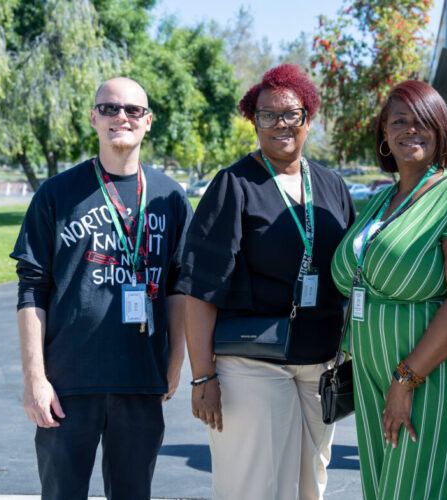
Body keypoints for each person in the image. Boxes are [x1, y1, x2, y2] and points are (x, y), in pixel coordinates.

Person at [175, 64, 355, 500]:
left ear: (308, 117)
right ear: (253, 121)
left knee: (310, 486)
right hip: (252, 363)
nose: (280, 124)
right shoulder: (233, 185)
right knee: (256, 489)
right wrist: (202, 377)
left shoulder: (331, 186)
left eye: (290, 114)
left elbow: (352, 271)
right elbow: (200, 288)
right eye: (267, 115)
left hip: (319, 364)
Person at [11, 77, 192, 499]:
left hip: (141, 379)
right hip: (68, 382)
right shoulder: (57, 193)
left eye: (132, 110)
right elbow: (32, 289)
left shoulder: (170, 196)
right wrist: (35, 378)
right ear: (93, 117)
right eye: (109, 108)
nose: (120, 117)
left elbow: (179, 288)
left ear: (148, 122)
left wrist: (175, 364)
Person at [331, 80, 447, 499]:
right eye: (398, 121)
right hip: (373, 374)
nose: (410, 129)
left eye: (422, 121)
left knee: (419, 490)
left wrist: (405, 380)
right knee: (383, 489)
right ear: (384, 134)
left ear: (440, 130)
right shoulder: (382, 199)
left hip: (429, 376)